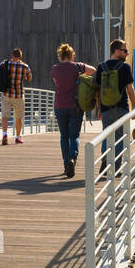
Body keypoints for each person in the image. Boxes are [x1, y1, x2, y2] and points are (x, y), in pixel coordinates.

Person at [50, 43, 93, 178]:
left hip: (59, 106)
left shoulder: (55, 69)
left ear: (60, 56)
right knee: (74, 136)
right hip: (75, 106)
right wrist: (81, 76)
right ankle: (72, 159)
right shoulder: (77, 66)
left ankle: (65, 163)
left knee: (64, 136)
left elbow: (57, 82)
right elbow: (94, 70)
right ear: (71, 55)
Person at [95, 39, 135, 169]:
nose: (127, 53)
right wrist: (134, 107)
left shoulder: (101, 67)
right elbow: (130, 88)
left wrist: (99, 108)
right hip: (121, 107)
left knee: (106, 134)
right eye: (125, 51)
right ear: (116, 51)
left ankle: (105, 160)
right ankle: (116, 166)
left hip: (106, 107)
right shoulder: (125, 67)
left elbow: (97, 90)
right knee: (120, 137)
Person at [0, 47, 32, 145]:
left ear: (12, 55)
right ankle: (18, 137)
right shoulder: (25, 67)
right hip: (18, 95)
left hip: (6, 94)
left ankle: (5, 135)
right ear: (21, 56)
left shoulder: (4, 64)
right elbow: (29, 78)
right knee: (18, 118)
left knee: (5, 116)